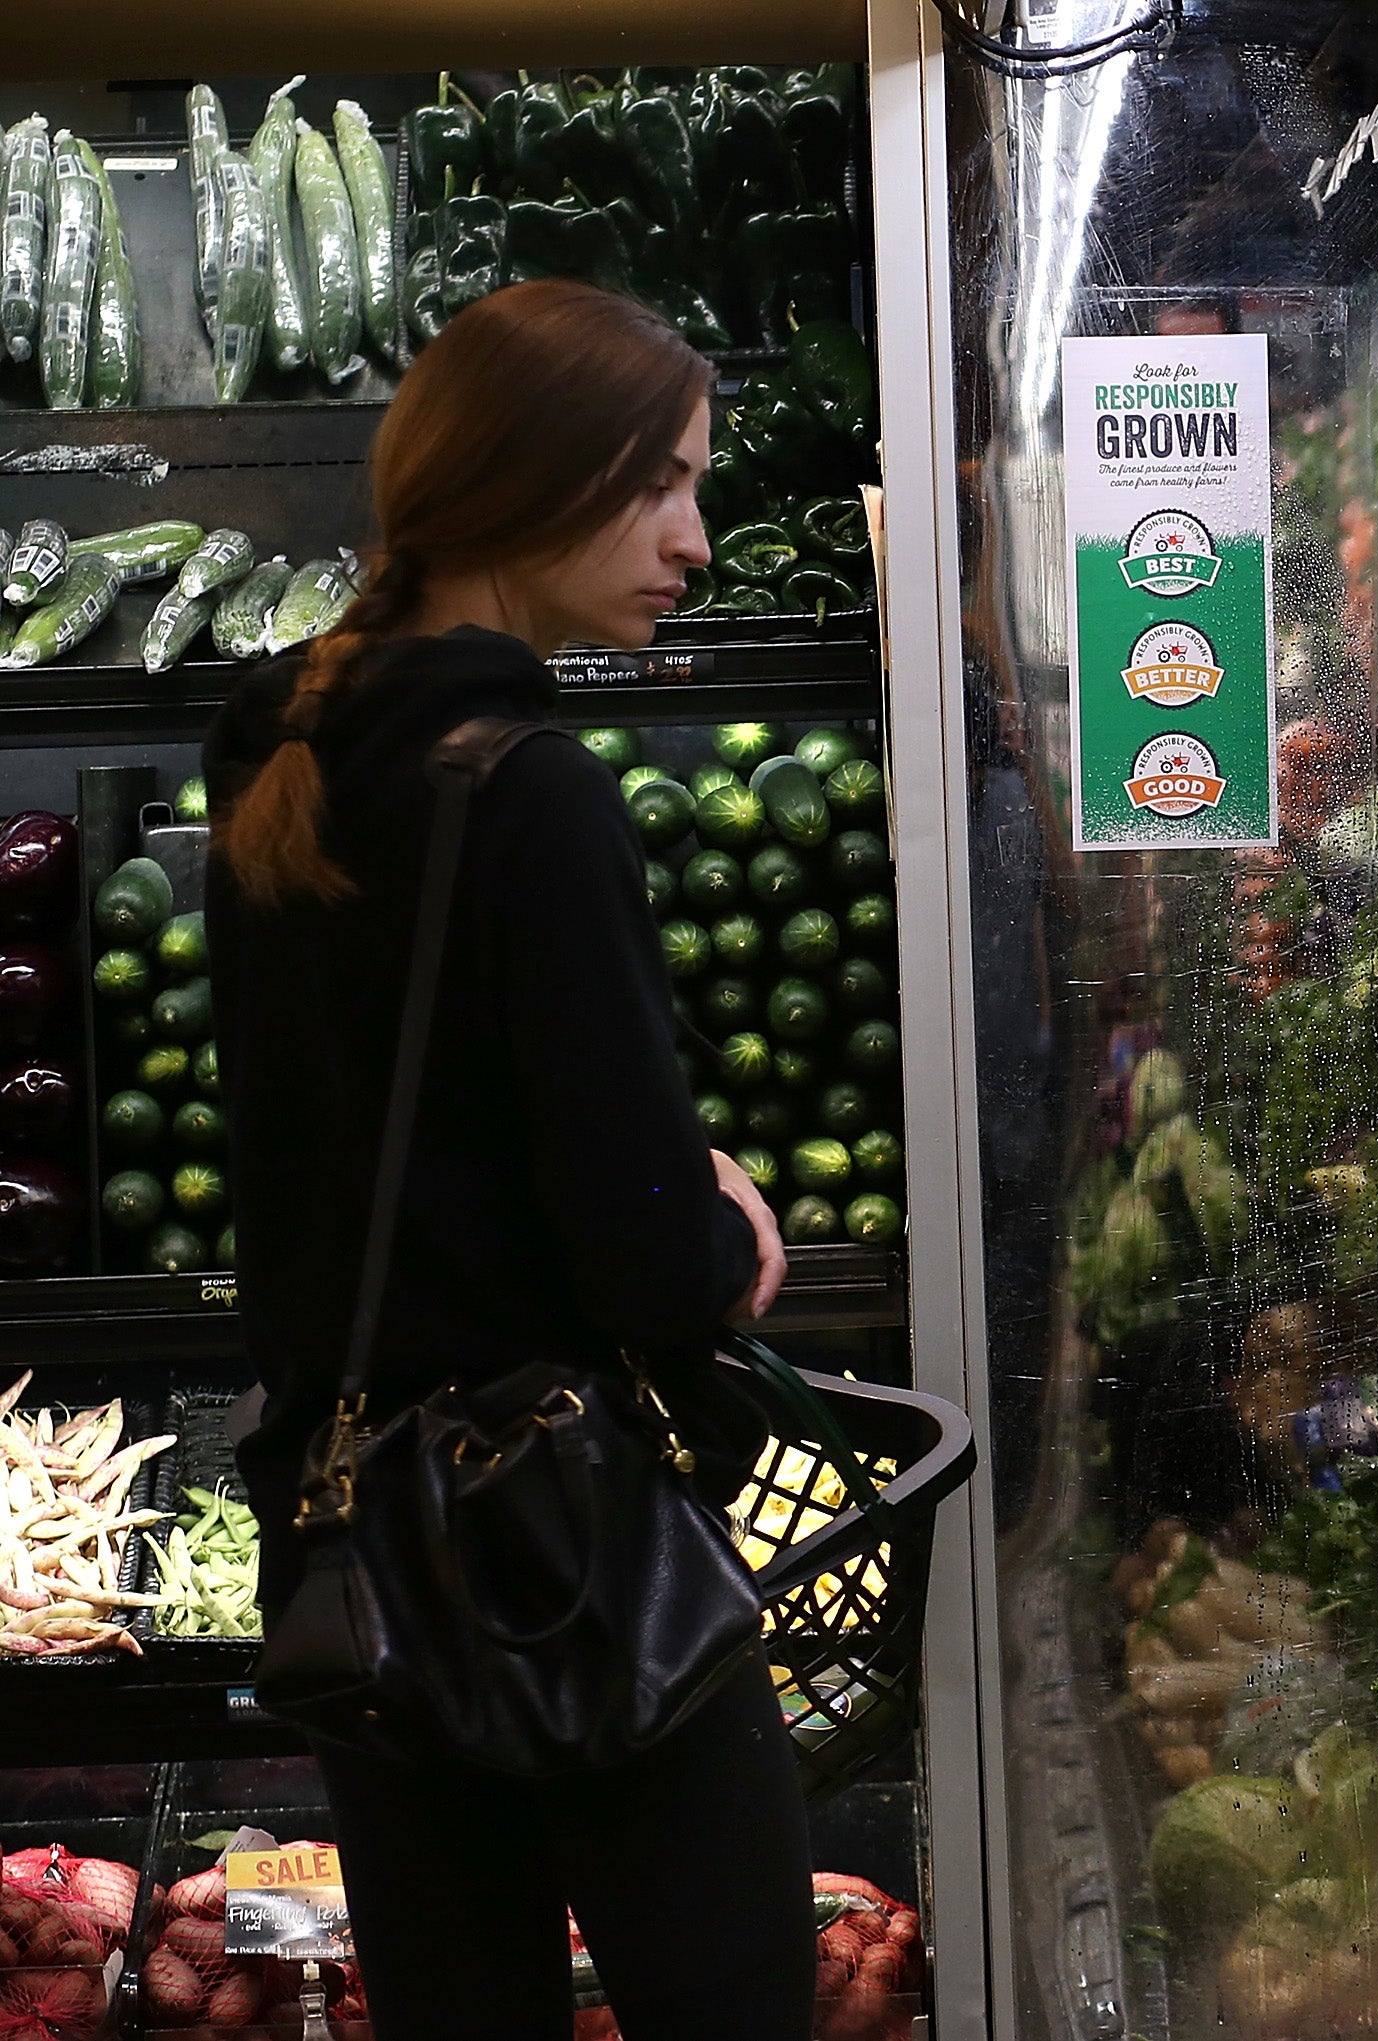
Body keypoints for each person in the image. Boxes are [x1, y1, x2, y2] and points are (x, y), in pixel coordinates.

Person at [203, 279, 812, 2041]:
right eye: (663, 487)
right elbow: (641, 1264)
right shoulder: (532, 785)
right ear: (534, 480)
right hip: (562, 1547)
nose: (698, 543)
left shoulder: (275, 746)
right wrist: (717, 1229)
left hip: (353, 1553)